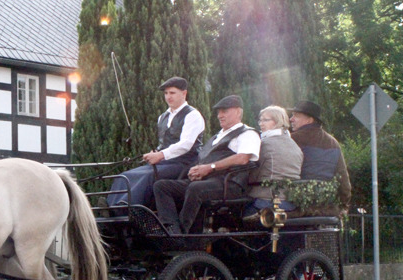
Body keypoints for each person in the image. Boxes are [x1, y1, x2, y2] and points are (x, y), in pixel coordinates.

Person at [153, 95, 260, 234]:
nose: (220, 115)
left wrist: (210, 168)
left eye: (224, 111)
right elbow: (202, 160)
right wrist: (194, 171)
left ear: (238, 112)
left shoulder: (248, 134)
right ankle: (171, 227)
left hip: (230, 184)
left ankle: (182, 234)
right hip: (207, 181)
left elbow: (242, 158)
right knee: (162, 186)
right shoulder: (217, 136)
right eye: (218, 112)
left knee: (195, 188)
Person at [107, 76, 204, 207]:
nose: (168, 97)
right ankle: (111, 207)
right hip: (165, 163)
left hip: (184, 163)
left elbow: (186, 144)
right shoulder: (162, 117)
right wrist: (156, 152)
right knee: (126, 174)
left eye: (172, 93)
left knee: (148, 175)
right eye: (166, 93)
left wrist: (161, 155)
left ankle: (126, 207)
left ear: (184, 93)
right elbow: (164, 142)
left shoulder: (192, 115)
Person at [288, 101, 351, 213]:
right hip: (326, 208)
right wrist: (343, 205)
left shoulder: (291, 140)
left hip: (296, 208)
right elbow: (343, 179)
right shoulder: (333, 142)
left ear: (310, 120)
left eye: (296, 116)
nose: (291, 119)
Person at [243, 105, 303, 219]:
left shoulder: (265, 144)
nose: (261, 124)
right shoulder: (295, 145)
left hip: (266, 200)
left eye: (265, 120)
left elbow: (254, 173)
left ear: (278, 122)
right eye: (260, 120)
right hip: (289, 202)